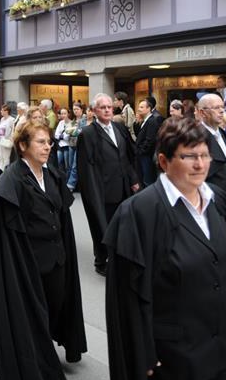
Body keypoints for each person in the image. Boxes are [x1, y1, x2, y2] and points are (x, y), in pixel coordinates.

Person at [104, 117, 226, 380]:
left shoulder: (219, 201)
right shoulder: (137, 213)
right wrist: (142, 354)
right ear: (164, 162)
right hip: (172, 359)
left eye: (204, 155)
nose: (200, 164)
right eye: (189, 156)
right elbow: (128, 299)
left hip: (224, 349)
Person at [0, 122, 87, 380]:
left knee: (56, 308)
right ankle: (40, 360)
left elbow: (62, 215)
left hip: (56, 260)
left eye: (49, 142)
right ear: (23, 146)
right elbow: (8, 234)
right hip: (29, 264)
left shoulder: (51, 173)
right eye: (41, 142)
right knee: (34, 314)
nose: (48, 147)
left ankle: (50, 346)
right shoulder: (12, 180)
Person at [77, 93, 139, 276]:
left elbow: (126, 157)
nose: (106, 110)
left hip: (123, 187)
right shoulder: (88, 134)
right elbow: (86, 167)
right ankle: (101, 260)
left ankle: (120, 256)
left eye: (109, 107)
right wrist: (92, 193)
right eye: (102, 107)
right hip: (102, 190)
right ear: (95, 111)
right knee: (102, 225)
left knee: (123, 224)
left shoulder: (119, 128)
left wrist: (134, 179)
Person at [198, 94, 226, 204]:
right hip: (210, 203)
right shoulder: (195, 137)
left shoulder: (224, 135)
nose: (222, 111)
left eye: (223, 107)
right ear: (202, 112)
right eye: (216, 108)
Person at [134, 99, 159, 187]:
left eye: (141, 107)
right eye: (139, 106)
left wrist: (140, 152)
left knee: (147, 181)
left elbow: (149, 140)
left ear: (149, 109)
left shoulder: (152, 121)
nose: (139, 109)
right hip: (143, 156)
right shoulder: (145, 121)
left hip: (146, 157)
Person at [66, 102, 86, 192]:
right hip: (71, 144)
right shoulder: (73, 120)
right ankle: (72, 185)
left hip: (79, 144)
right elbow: (67, 131)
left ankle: (70, 186)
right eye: (74, 109)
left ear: (82, 110)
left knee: (75, 165)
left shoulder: (84, 119)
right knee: (70, 166)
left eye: (77, 109)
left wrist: (72, 131)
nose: (75, 111)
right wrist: (72, 131)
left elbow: (77, 132)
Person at [54, 108, 74, 179]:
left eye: (64, 113)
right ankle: (61, 179)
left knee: (67, 166)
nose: (63, 115)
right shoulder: (60, 123)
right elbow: (56, 135)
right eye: (61, 113)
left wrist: (61, 136)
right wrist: (62, 136)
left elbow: (67, 137)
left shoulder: (71, 123)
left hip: (67, 146)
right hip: (60, 146)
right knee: (59, 163)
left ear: (68, 114)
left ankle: (67, 181)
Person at [0, 104, 15, 170]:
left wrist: (11, 139)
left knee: (6, 157)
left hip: (7, 141)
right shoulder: (2, 119)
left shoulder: (11, 120)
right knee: (0, 156)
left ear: (6, 111)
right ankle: (1, 170)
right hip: (1, 140)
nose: (1, 111)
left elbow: (13, 131)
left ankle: (6, 170)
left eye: (2, 110)